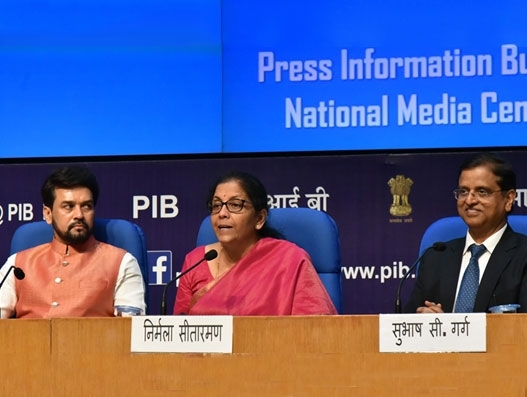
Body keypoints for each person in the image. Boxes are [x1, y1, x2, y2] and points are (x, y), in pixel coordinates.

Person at [173, 170, 337, 315]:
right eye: (216, 206)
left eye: (235, 205)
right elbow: (177, 334)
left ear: (259, 219)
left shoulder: (289, 260)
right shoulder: (195, 262)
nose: (222, 213)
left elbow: (315, 326)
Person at [0, 166, 146, 318]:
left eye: (86, 206)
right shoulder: (17, 265)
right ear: (48, 214)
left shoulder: (122, 263)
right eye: (68, 207)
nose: (79, 215)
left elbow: (132, 334)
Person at [405, 152, 527, 313]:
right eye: (463, 192)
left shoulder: (523, 255)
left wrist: (450, 329)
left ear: (509, 199)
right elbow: (405, 323)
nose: (469, 200)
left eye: (482, 191)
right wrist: (422, 320)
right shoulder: (435, 257)